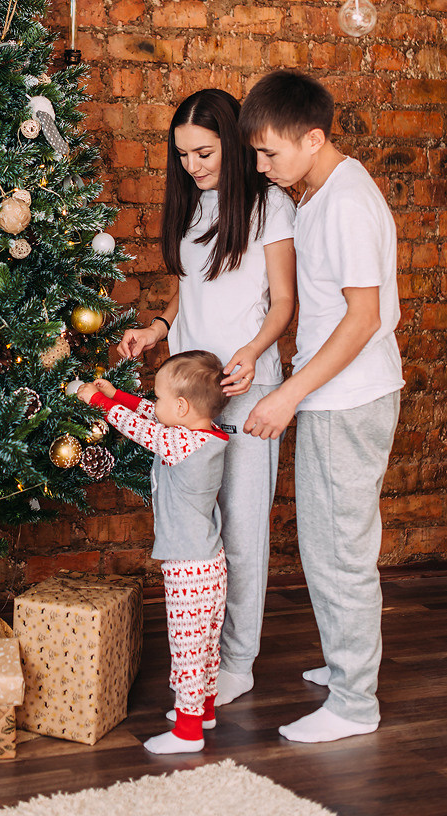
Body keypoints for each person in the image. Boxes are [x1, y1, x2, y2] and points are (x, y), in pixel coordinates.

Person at [238, 69, 403, 744]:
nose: (260, 165)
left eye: (269, 152)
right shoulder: (322, 192)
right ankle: (346, 665)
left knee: (337, 550)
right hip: (336, 396)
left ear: (312, 139)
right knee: (327, 543)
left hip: (346, 398)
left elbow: (362, 319)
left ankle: (354, 702)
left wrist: (287, 393)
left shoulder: (345, 204)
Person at [118, 89, 296, 707]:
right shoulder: (194, 207)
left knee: (243, 529)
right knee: (194, 529)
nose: (193, 165)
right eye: (184, 156)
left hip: (247, 390)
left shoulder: (270, 204)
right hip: (190, 398)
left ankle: (238, 661)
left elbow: (282, 303)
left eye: (204, 152)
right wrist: (159, 328)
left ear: (234, 143)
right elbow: (189, 292)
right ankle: (199, 652)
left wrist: (251, 353)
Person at [77, 350, 230, 754]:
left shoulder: (181, 442)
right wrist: (121, 395)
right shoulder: (202, 433)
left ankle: (187, 733)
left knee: (186, 646)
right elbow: (149, 413)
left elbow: (139, 429)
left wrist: (94, 398)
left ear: (181, 406)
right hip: (209, 560)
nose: (154, 403)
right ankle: (204, 711)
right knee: (206, 642)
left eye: (160, 397)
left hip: (188, 565)